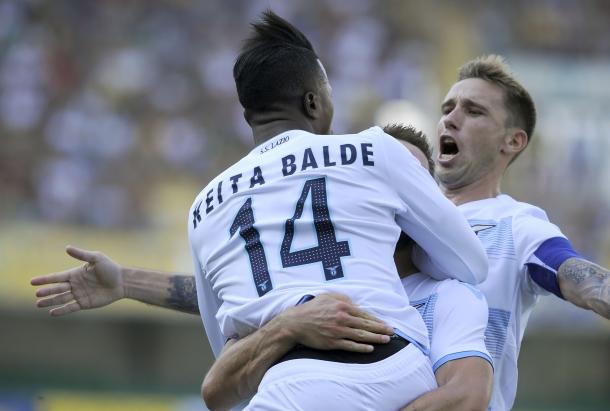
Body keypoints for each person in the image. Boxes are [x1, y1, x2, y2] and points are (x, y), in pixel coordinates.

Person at [32, 124, 495, 411]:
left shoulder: (448, 295)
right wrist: (128, 282)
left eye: (410, 181)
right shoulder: (323, 280)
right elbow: (238, 322)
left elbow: (466, 398)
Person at [186, 10, 488, 409]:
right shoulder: (374, 148)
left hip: (283, 379)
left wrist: (286, 322)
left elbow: (228, 361)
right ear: (313, 102)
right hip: (389, 363)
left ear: (249, 115)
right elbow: (471, 264)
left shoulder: (202, 209)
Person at [433, 54, 610, 410]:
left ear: (513, 141)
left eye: (474, 111)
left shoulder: (517, 226)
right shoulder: (400, 218)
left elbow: (575, 274)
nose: (450, 119)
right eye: (448, 107)